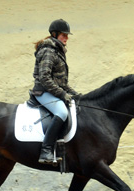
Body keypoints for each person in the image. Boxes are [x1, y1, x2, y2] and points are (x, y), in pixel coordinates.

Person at [31, 19, 79, 164]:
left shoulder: (57, 51)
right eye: (63, 35)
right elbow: (44, 78)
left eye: (67, 35)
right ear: (54, 34)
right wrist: (63, 94)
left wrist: (77, 95)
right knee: (62, 112)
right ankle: (46, 150)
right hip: (43, 92)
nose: (66, 38)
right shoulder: (48, 50)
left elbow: (62, 83)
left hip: (52, 92)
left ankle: (59, 147)